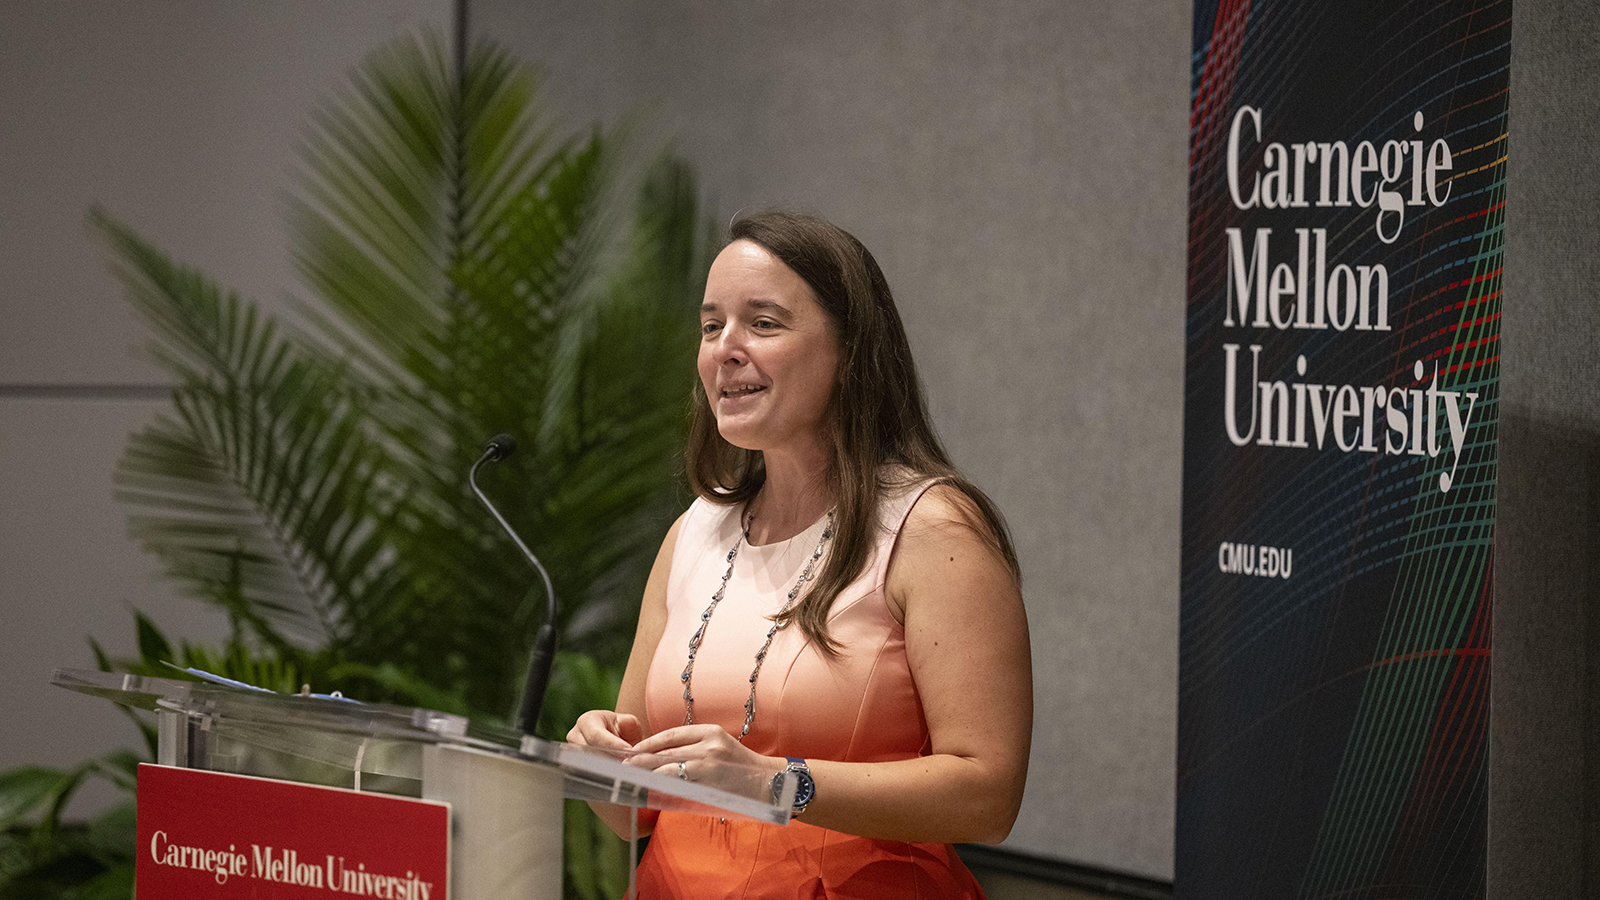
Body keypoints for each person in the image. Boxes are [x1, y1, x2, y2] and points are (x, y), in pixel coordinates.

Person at [568, 210, 1032, 899]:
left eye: (762, 323)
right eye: (711, 326)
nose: (724, 350)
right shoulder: (692, 533)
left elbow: (987, 797)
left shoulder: (933, 531)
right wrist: (598, 761)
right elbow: (634, 816)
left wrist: (778, 783)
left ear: (850, 352)